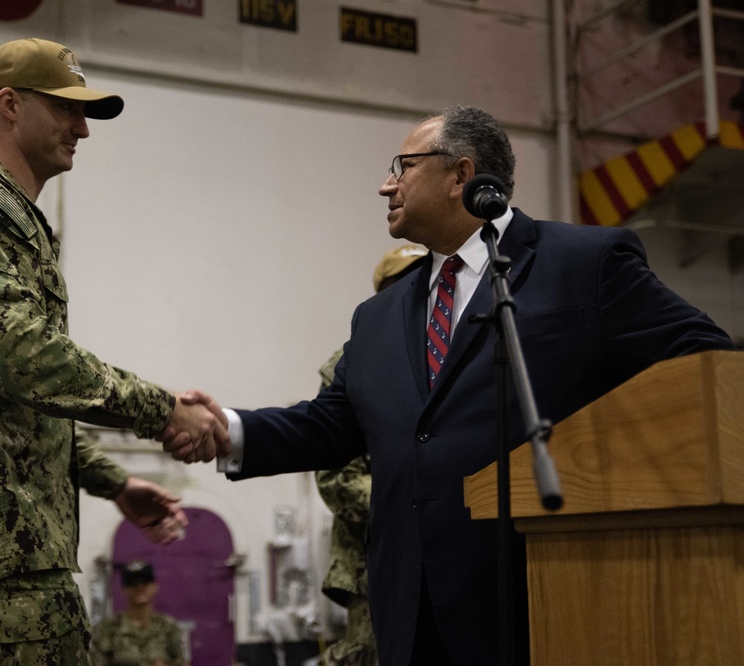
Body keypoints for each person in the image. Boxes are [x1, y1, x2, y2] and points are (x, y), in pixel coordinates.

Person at [166, 105, 735, 664]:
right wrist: (229, 429)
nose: (386, 185)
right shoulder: (379, 315)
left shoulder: (584, 264)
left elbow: (703, 361)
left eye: (403, 166)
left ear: (461, 175)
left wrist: (605, 470)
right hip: (409, 610)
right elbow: (331, 425)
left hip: (542, 590)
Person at [0, 37, 228, 665]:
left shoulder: (11, 216)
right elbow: (26, 358)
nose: (82, 129)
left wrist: (110, 481)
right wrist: (160, 411)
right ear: (11, 105)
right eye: (67, 109)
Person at [316, 243, 427, 666]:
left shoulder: (450, 354)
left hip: (446, 550)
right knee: (372, 654)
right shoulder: (350, 363)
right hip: (374, 558)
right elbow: (337, 480)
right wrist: (418, 501)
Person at [91, 561, 186, 666]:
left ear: (154, 586)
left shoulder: (168, 628)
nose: (139, 587)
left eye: (145, 582)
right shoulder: (108, 629)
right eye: (133, 583)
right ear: (124, 589)